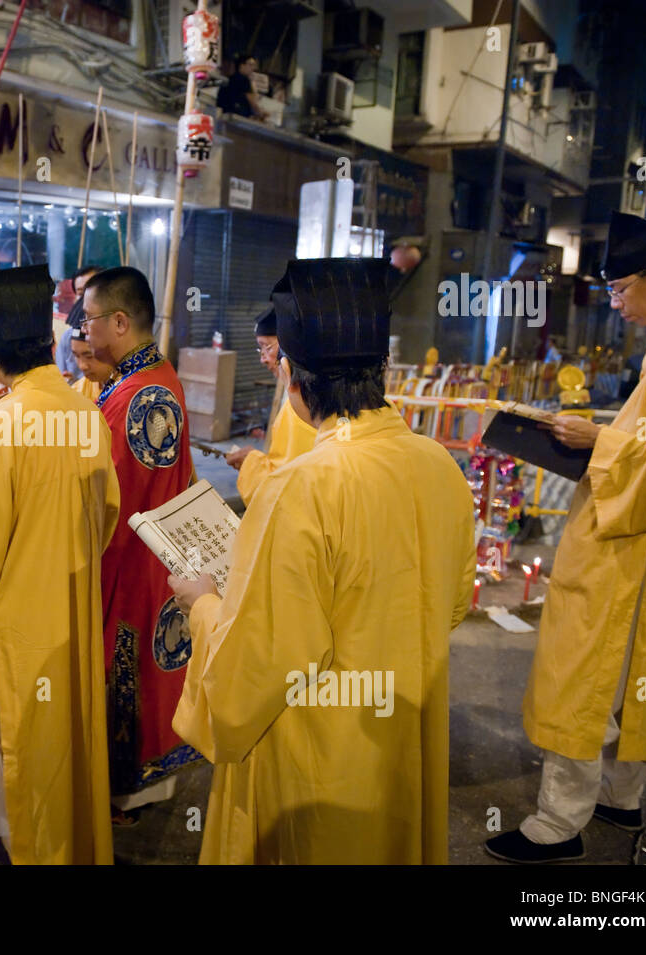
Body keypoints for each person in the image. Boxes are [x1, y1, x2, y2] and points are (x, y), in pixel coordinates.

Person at [169, 258, 475, 864]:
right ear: (380, 369)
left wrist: (202, 603)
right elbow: (454, 602)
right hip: (402, 727)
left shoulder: (304, 483)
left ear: (295, 377)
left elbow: (262, 663)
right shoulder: (438, 463)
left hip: (320, 748)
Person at [486, 212, 646, 863]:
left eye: (620, 289)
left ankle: (558, 824)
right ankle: (621, 796)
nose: (615, 303)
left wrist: (596, 439)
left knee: (588, 677)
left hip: (641, 544)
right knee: (635, 679)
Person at [0, 264, 120, 864]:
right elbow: (105, 513)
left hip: (9, 637)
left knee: (10, 771)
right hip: (66, 619)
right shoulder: (85, 412)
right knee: (55, 760)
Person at [80, 266, 196, 819]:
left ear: (120, 322)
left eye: (90, 318)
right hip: (158, 556)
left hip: (131, 565)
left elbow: (110, 500)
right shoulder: (153, 378)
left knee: (127, 680)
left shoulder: (136, 396)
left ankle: (124, 792)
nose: (84, 329)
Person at [225, 308, 315, 505]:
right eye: (260, 349)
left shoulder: (301, 405)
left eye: (267, 347)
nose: (263, 358)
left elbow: (287, 486)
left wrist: (251, 464)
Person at [55, 265, 101, 380]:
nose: (86, 298)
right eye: (81, 293)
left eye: (91, 290)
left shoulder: (112, 334)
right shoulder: (68, 337)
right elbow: (62, 378)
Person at [68, 324, 115, 404]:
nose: (82, 366)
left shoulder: (128, 389)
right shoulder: (77, 391)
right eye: (76, 356)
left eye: (89, 356)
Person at [216, 54, 264, 121]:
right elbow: (252, 101)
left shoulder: (230, 79)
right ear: (242, 65)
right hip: (237, 117)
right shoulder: (244, 80)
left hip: (224, 115)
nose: (253, 68)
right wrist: (260, 114)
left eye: (254, 66)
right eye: (250, 65)